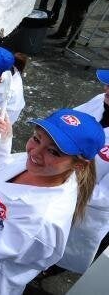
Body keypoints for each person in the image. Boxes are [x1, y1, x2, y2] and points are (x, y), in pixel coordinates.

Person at [0, 108, 104, 294]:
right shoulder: (39, 167)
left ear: (79, 165)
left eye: (53, 152)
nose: (35, 152)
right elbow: (1, 170)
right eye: (36, 138)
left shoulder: (44, 218)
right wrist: (3, 138)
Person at [57, 69, 109, 273]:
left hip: (90, 205)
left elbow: (106, 196)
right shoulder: (100, 100)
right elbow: (69, 120)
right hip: (64, 180)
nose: (105, 89)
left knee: (70, 246)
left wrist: (67, 182)